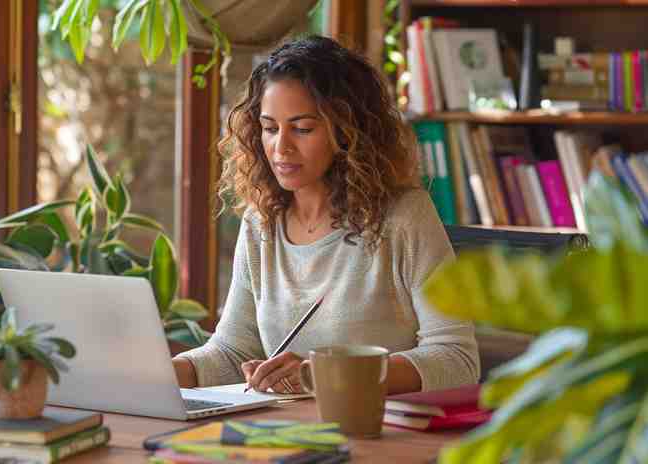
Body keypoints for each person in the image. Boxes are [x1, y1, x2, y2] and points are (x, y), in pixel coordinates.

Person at [172, 35, 479, 395]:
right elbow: (232, 352)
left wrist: (323, 373)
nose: (280, 147)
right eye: (269, 128)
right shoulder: (261, 221)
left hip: (374, 435)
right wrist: (160, 372)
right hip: (281, 434)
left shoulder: (403, 217)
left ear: (348, 131)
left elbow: (457, 358)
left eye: (302, 128)